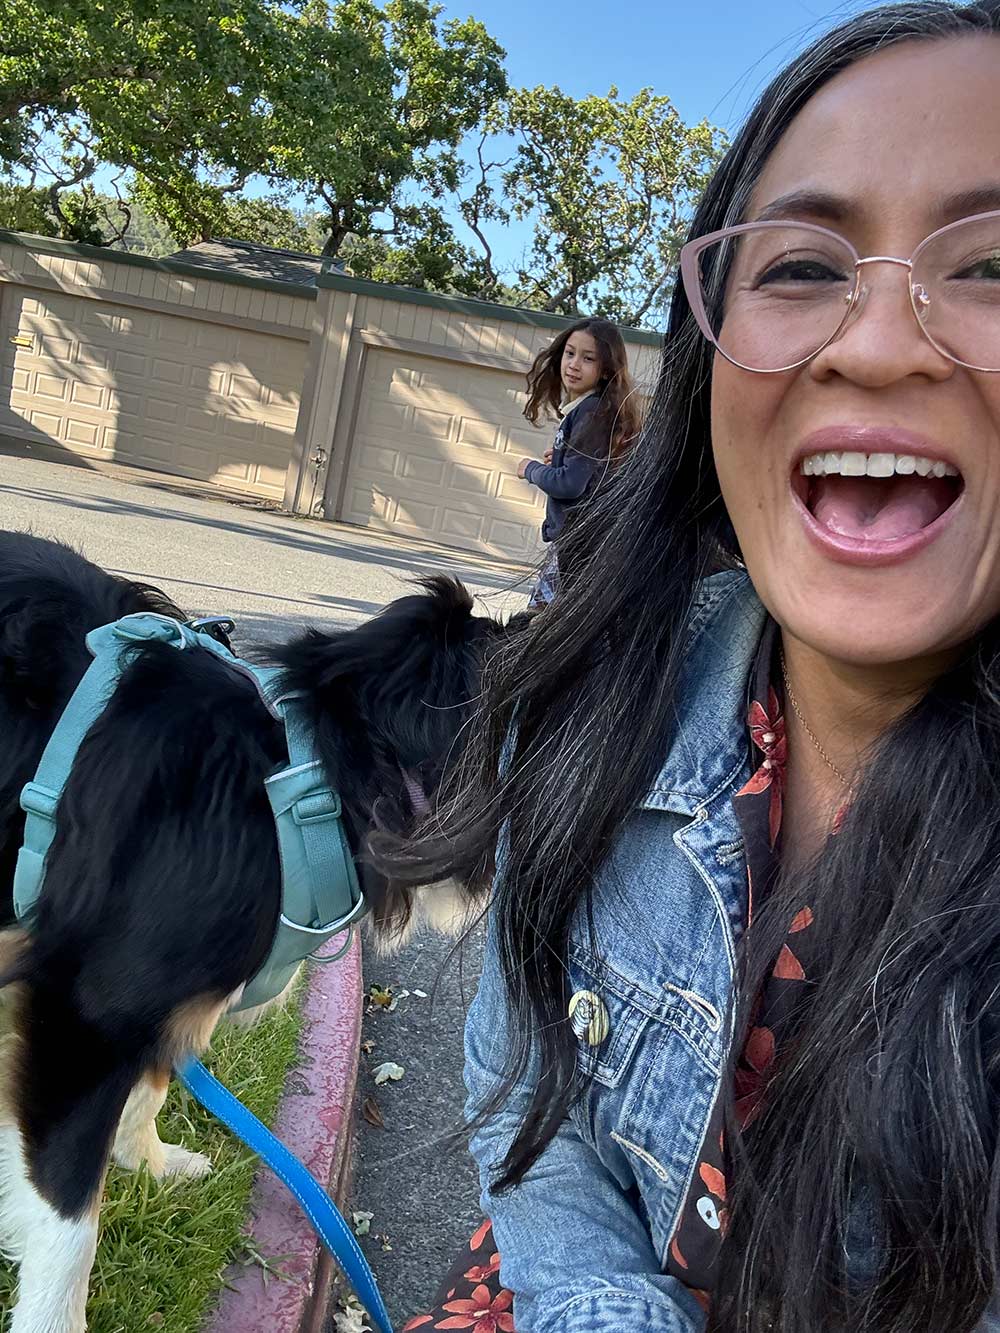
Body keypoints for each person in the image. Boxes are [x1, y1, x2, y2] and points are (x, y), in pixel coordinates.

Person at [394, 2, 1000, 1329]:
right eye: (802, 267)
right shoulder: (590, 696)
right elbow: (525, 1091)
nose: (876, 342)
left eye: (992, 266)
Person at [516, 319, 639, 608]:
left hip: (578, 545)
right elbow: (588, 471)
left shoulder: (593, 411)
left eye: (588, 358)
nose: (573, 364)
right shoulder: (588, 409)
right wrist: (560, 458)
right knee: (543, 621)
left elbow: (570, 485)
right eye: (570, 353)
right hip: (579, 543)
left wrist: (530, 469)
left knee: (538, 622)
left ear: (606, 368)